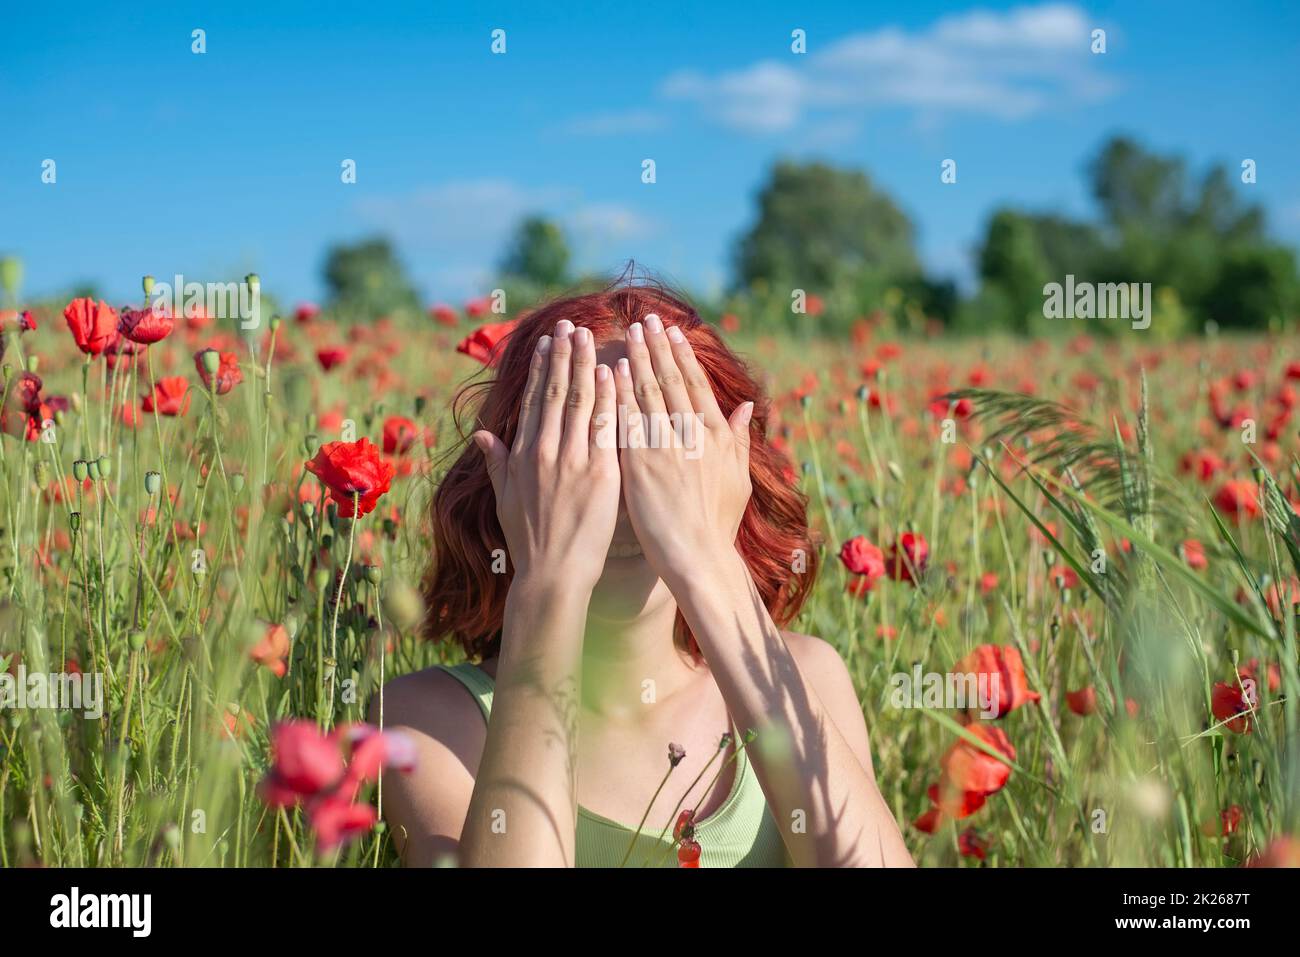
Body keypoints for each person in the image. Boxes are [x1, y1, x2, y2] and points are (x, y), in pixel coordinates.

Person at [374, 284, 913, 868]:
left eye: (664, 446)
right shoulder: (429, 717)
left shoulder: (810, 674)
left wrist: (707, 558)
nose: (622, 495)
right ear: (508, 475)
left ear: (729, 474)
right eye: (579, 445)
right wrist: (549, 577)